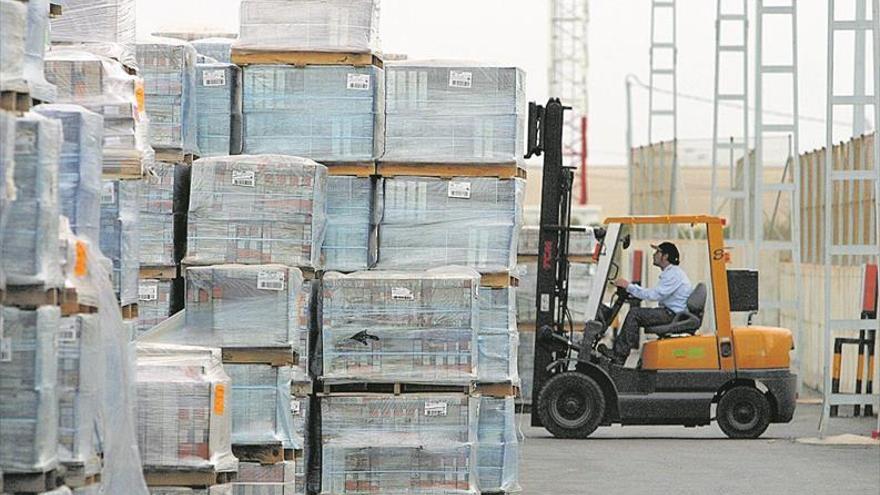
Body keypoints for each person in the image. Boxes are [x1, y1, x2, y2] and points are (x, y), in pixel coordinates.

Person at [609, 241, 693, 364]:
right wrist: (631, 290)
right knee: (636, 313)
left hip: (672, 315)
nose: (654, 255)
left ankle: (619, 356)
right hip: (670, 312)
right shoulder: (671, 273)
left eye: (657, 252)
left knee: (634, 314)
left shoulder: (673, 274)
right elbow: (653, 293)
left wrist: (629, 286)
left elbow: (653, 295)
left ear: (665, 256)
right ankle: (619, 353)